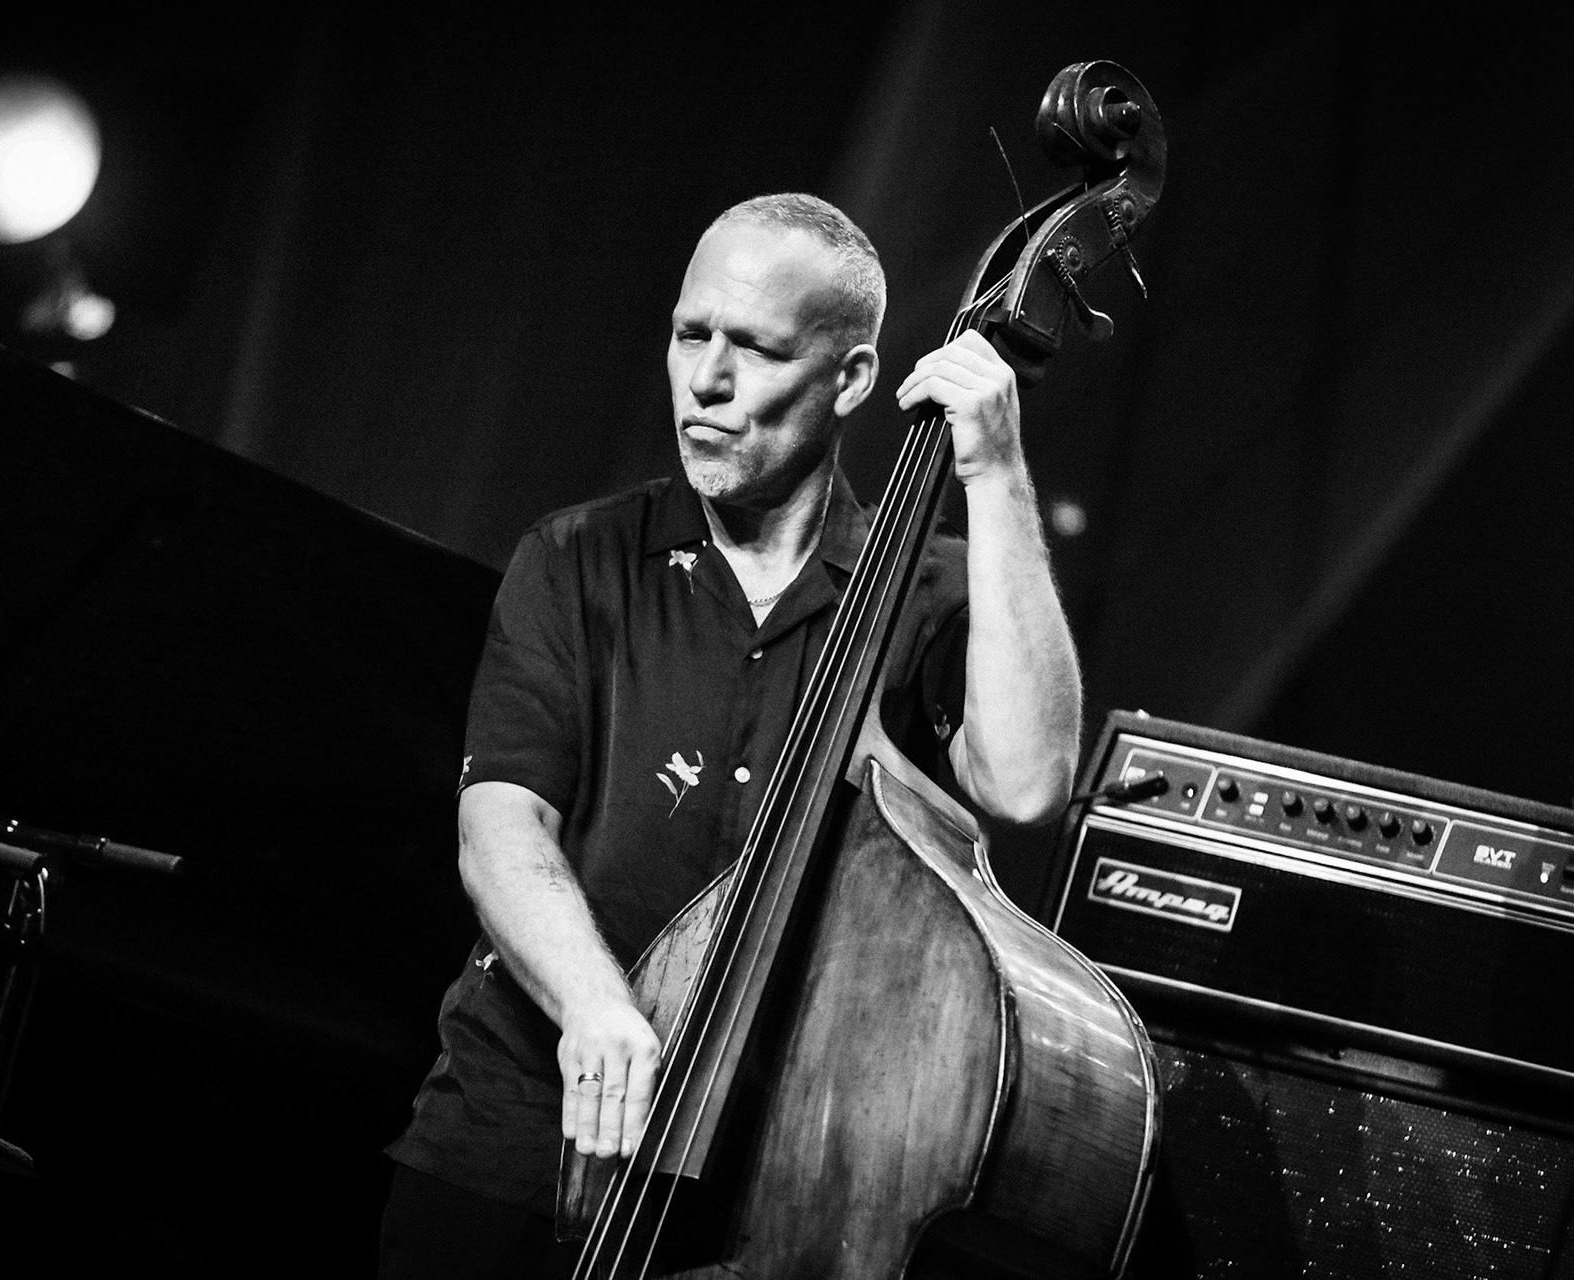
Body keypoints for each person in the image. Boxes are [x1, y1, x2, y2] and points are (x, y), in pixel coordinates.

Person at [378, 192, 1080, 1278]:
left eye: (752, 348)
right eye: (688, 333)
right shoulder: (578, 558)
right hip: (515, 1140)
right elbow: (501, 825)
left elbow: (1030, 782)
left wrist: (995, 475)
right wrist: (599, 1005)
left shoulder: (931, 592)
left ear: (850, 379)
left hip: (776, 1182)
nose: (704, 381)